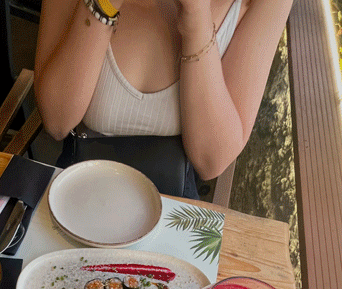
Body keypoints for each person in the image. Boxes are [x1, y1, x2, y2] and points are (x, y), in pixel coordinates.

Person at [34, 0, 294, 197]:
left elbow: (211, 161)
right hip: (77, 189)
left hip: (176, 207)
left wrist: (196, 20)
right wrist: (104, 3)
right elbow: (57, 122)